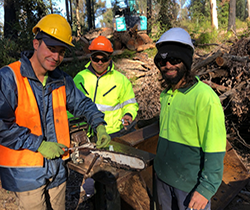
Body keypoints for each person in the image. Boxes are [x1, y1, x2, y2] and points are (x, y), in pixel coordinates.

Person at [0, 14, 111, 210]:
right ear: (36, 43)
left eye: (61, 52)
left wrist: (99, 125)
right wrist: (38, 144)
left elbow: (83, 104)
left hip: (58, 170)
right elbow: (1, 125)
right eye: (51, 49)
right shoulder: (9, 77)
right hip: (26, 174)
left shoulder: (61, 79)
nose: (56, 57)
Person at [153, 27, 226, 210]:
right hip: (163, 179)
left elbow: (215, 147)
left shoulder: (204, 97)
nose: (167, 65)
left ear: (186, 61)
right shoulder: (166, 94)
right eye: (162, 61)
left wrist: (206, 188)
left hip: (190, 187)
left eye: (174, 59)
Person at [69, 35, 139, 139]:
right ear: (90, 58)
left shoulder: (121, 80)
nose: (100, 63)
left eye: (104, 59)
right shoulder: (80, 78)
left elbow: (130, 104)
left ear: (110, 59)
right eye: (96, 59)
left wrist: (128, 114)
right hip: (84, 133)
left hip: (112, 133)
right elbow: (70, 104)